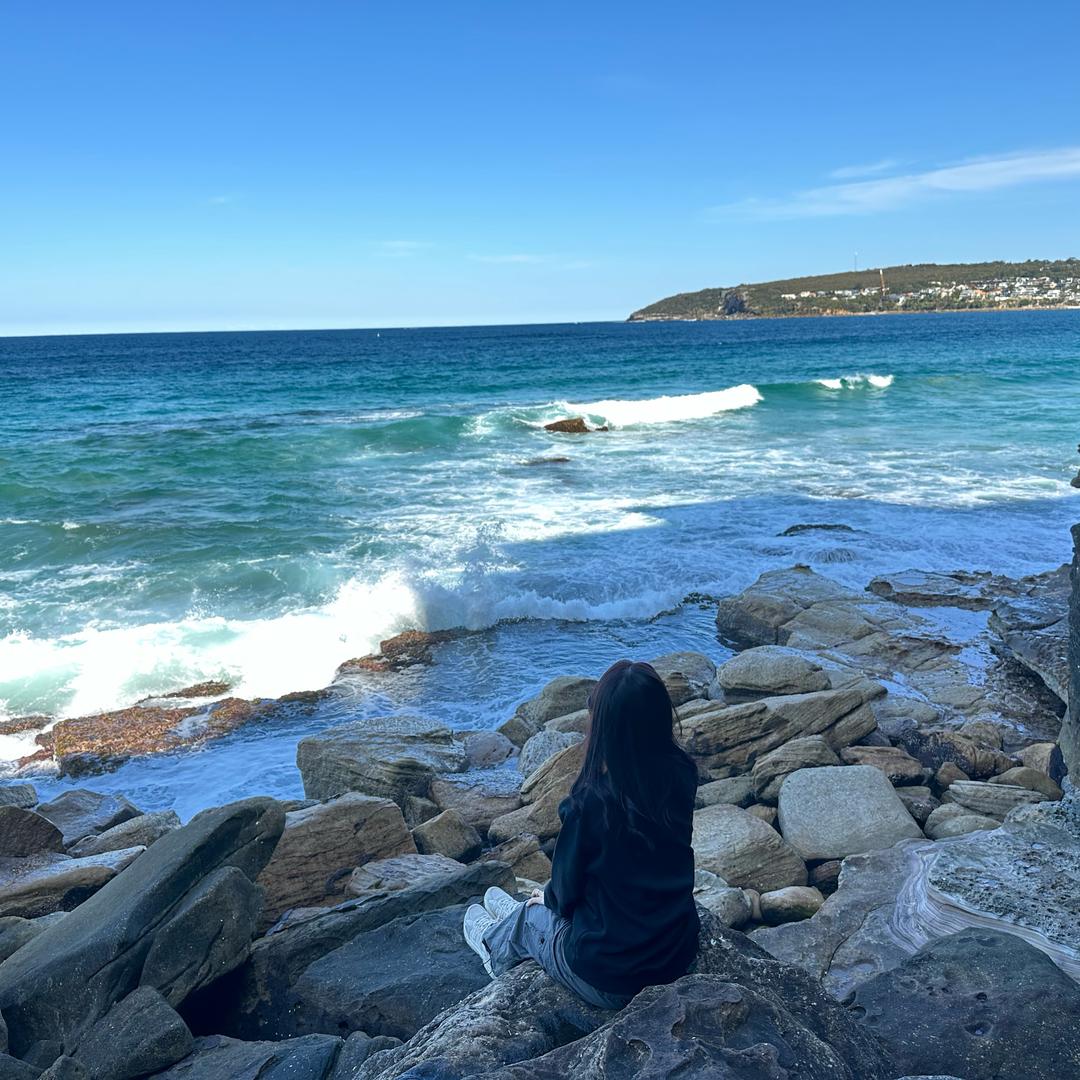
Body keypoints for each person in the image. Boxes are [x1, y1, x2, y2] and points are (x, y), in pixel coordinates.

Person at [462, 659, 700, 1009]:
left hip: (610, 977)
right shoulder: (682, 773)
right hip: (675, 951)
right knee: (549, 901)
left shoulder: (591, 803)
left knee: (531, 917)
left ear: (604, 729)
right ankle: (521, 912)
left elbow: (566, 891)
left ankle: (491, 945)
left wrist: (548, 899)